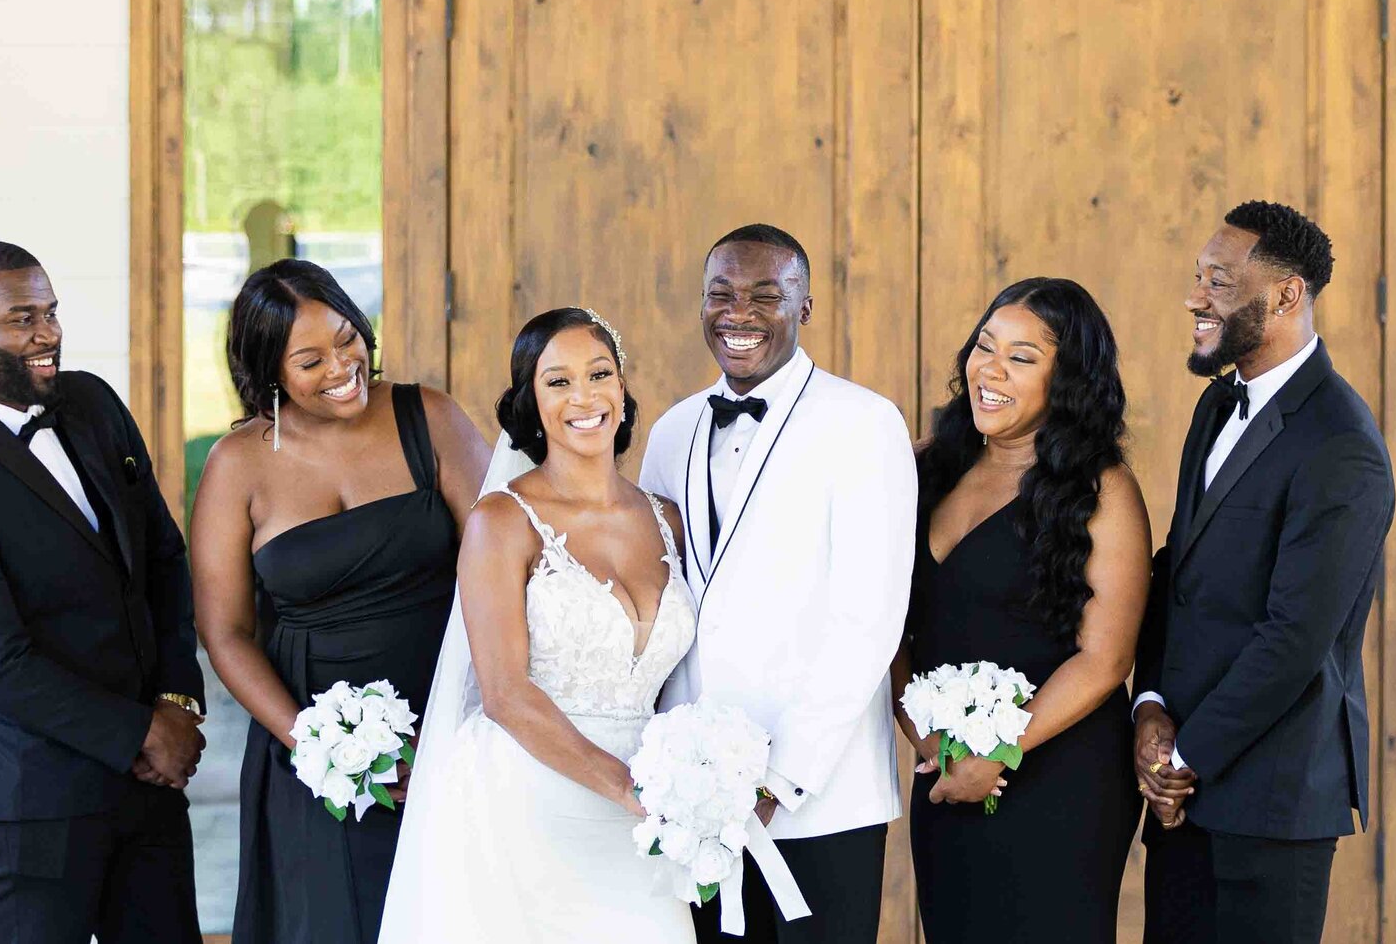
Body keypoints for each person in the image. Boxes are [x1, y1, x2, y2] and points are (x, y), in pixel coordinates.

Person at [0, 241, 206, 944]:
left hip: (149, 782)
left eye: (52, 312)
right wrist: (138, 732)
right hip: (30, 796)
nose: (49, 333)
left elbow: (162, 555)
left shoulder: (93, 402)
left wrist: (176, 700)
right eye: (23, 317)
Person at [189, 259, 490, 944]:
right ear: (270, 370)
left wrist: (472, 713)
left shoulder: (429, 416)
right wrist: (318, 744)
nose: (341, 364)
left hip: (448, 719)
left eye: (347, 336)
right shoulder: (238, 463)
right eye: (310, 358)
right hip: (313, 746)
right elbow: (226, 630)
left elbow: (504, 569)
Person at [377, 307, 697, 943]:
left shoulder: (667, 517)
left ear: (623, 388)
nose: (584, 397)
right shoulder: (502, 519)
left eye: (599, 373)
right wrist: (627, 787)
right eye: (558, 382)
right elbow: (504, 693)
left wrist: (688, 778)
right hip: (525, 802)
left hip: (646, 819)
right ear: (530, 400)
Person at [639, 224, 917, 944]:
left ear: (806, 305)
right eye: (722, 294)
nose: (740, 313)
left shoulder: (864, 423)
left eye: (767, 294)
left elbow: (870, 618)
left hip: (817, 792)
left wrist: (780, 778)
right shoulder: (670, 432)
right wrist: (672, 768)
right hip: (695, 796)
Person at [1135, 201, 1395, 944]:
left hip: (1269, 806)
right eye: (1198, 277)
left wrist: (1180, 759)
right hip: (1179, 798)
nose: (1196, 296)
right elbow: (1175, 572)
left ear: (1286, 296)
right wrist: (1148, 703)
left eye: (1218, 280)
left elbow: (1294, 640)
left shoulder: (1343, 445)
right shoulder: (1216, 406)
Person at [894, 277, 1149, 943]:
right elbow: (884, 626)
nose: (992, 369)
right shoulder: (924, 469)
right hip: (945, 771)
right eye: (985, 346)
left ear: (1066, 379)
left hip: (1058, 777)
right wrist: (929, 741)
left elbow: (1106, 657)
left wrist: (995, 752)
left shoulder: (1103, 490)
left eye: (1022, 356)